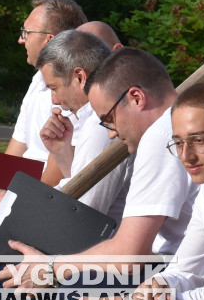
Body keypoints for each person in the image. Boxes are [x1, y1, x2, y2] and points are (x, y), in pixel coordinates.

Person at [0, 49, 198, 300]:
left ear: (136, 98)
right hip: (165, 270)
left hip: (173, 278)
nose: (111, 133)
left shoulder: (161, 137)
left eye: (109, 119)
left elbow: (129, 253)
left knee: (0, 280)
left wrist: (51, 267)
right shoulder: (182, 125)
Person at [64, 82, 204, 300]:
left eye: (198, 140)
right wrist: (159, 286)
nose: (186, 156)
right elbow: (185, 269)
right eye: (177, 143)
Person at [36, 30, 132, 220]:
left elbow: (81, 215)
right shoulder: (104, 117)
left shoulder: (101, 124)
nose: (54, 100)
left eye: (54, 88)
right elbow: (82, 192)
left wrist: (19, 202)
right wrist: (62, 151)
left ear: (80, 77)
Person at [7, 0, 88, 165]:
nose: (21, 40)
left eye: (26, 33)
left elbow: (60, 173)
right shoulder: (37, 80)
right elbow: (13, 155)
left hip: (44, 189)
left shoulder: (73, 90)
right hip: (23, 185)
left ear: (49, 41)